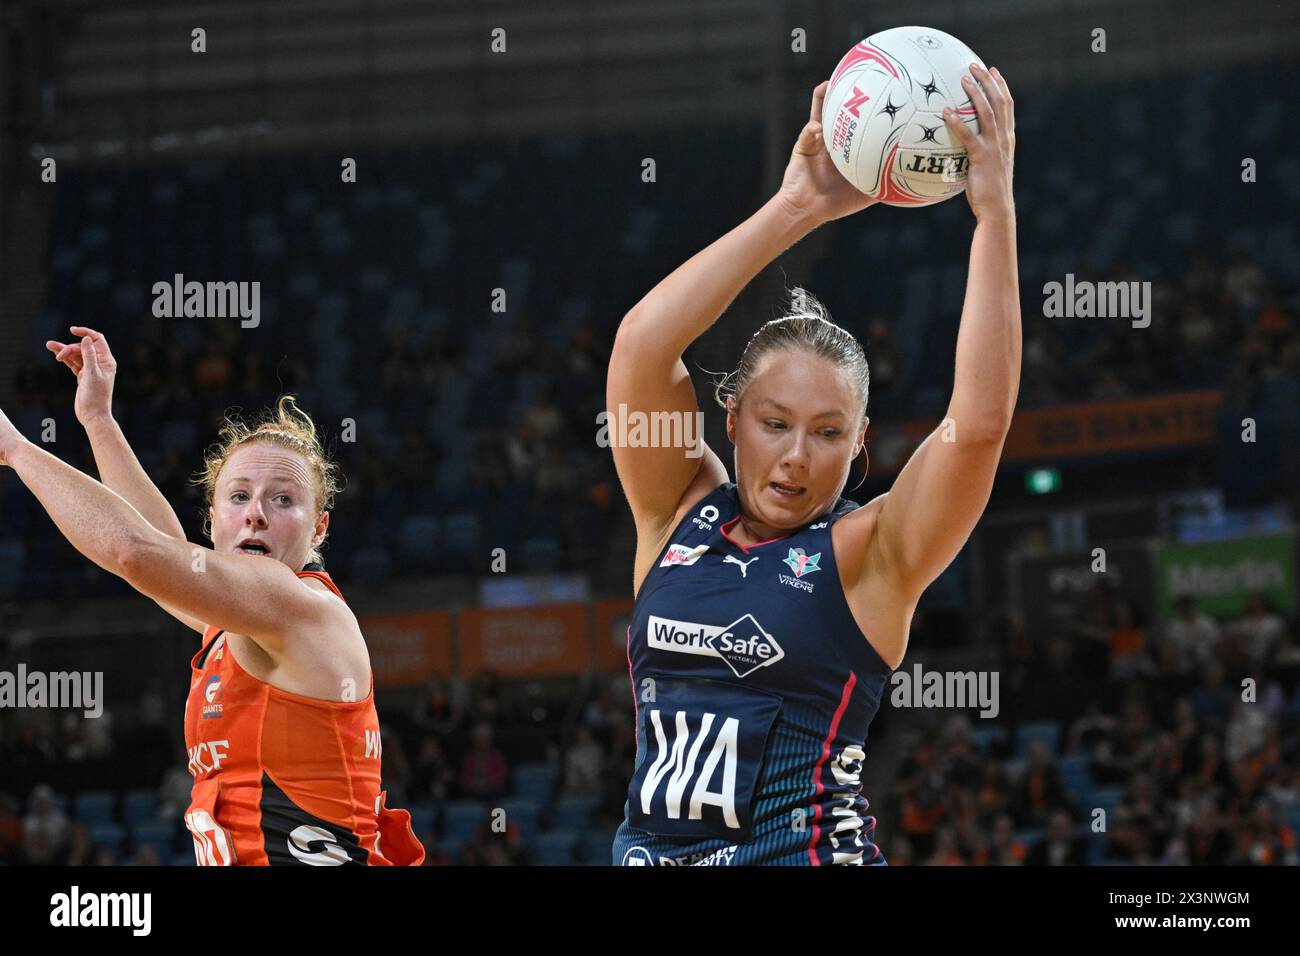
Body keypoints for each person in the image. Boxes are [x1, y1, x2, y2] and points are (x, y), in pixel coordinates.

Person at [606, 65, 1019, 865]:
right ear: (731, 421)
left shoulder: (870, 556)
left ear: (860, 445)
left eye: (828, 433)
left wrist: (993, 216)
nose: (796, 455)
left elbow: (978, 428)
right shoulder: (673, 511)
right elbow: (642, 346)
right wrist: (796, 208)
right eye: (774, 423)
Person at [0, 328, 423, 865]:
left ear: (319, 530)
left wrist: (14, 449)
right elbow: (163, 555)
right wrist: (99, 421)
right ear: (215, 521)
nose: (256, 513)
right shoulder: (238, 625)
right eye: (239, 496)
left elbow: (137, 551)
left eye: (283, 499)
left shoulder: (298, 605)